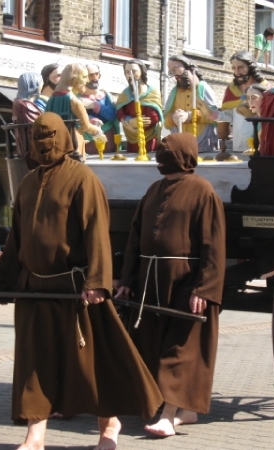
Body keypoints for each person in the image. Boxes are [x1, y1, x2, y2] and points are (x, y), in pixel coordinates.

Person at [0, 112, 162, 450]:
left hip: (76, 290)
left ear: (65, 138)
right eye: (38, 137)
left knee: (91, 363)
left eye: (51, 136)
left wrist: (98, 280)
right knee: (33, 361)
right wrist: (3, 281)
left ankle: (108, 425)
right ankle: (35, 436)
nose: (45, 143)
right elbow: (18, 239)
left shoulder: (83, 178)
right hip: (33, 289)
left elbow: (97, 230)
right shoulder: (27, 183)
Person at [116, 133, 225, 438]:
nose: (160, 157)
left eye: (166, 152)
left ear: (182, 155)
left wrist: (204, 288)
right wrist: (127, 280)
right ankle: (184, 411)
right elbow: (135, 238)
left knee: (179, 346)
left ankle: (168, 415)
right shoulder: (154, 189)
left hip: (185, 280)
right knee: (152, 342)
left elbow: (213, 245)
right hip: (151, 279)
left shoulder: (203, 191)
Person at [46, 63, 107, 161]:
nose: (87, 81)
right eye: (84, 77)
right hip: (73, 147)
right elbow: (85, 126)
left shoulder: (51, 99)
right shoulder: (75, 101)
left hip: (56, 146)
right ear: (74, 80)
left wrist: (91, 122)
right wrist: (98, 132)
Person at [164, 55, 218, 152]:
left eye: (175, 68)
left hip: (202, 142)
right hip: (180, 145)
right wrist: (172, 118)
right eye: (171, 71)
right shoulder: (174, 93)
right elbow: (166, 122)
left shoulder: (202, 88)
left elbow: (214, 117)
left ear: (188, 67)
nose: (174, 74)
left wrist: (190, 116)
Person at [220, 51, 267, 153]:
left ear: (251, 67)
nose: (237, 72)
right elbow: (228, 115)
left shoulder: (265, 88)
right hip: (238, 144)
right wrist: (214, 116)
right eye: (234, 68)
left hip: (259, 144)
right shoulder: (231, 89)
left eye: (241, 67)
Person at [116, 59, 164, 153]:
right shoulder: (124, 95)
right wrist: (129, 121)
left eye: (134, 71)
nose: (130, 75)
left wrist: (140, 123)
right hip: (132, 138)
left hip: (150, 139)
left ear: (142, 71)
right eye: (127, 72)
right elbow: (119, 113)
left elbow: (154, 117)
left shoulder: (153, 92)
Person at [81, 63, 120, 155]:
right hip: (89, 140)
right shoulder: (78, 97)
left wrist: (95, 105)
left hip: (108, 137)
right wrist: (91, 120)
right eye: (90, 75)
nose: (94, 78)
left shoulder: (105, 95)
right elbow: (78, 119)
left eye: (96, 74)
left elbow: (112, 116)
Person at [12, 72, 44, 169]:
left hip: (28, 150)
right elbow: (39, 126)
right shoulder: (25, 104)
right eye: (41, 82)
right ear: (35, 84)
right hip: (33, 151)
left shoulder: (19, 102)